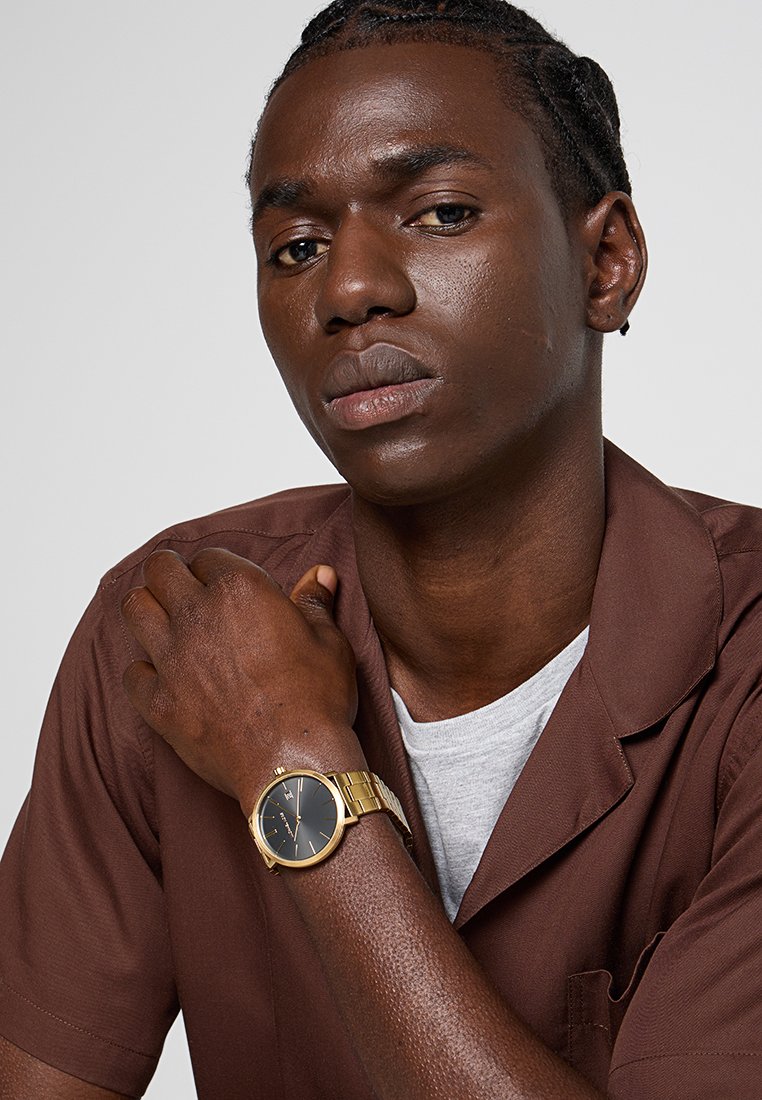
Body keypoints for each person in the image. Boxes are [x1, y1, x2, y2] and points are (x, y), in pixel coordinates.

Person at [1, 1, 760, 1097]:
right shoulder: (173, 628)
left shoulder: (744, 668)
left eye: (441, 213)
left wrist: (290, 766)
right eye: (296, 246)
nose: (349, 289)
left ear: (606, 262)